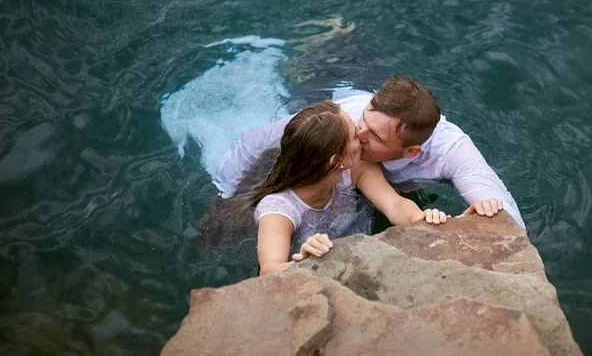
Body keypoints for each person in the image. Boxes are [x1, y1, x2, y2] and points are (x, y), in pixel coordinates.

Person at [218, 75, 525, 230]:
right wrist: (232, 199)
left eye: (374, 136)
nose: (358, 134)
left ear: (410, 151)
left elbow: (506, 214)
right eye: (363, 120)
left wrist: (467, 222)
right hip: (332, 92)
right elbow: (268, 145)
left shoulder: (451, 151)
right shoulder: (342, 122)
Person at [254, 100, 447, 276]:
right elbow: (269, 269)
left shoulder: (354, 168)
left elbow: (394, 204)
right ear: (336, 161)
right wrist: (304, 263)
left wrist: (419, 219)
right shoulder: (278, 209)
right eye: (355, 136)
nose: (363, 137)